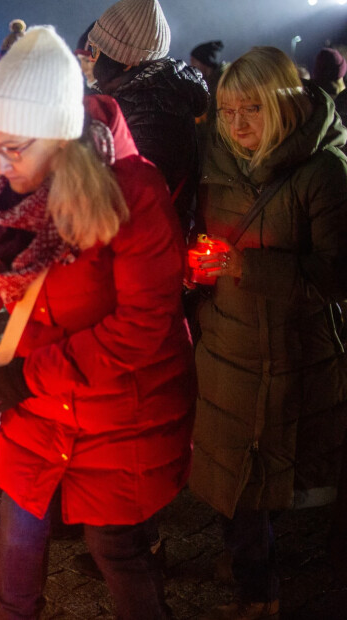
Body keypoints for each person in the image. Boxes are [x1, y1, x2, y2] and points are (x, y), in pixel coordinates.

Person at [0, 27, 195, 619]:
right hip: (34, 411)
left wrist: (30, 377)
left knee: (118, 551)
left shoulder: (132, 194)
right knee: (18, 537)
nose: (1, 164)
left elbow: (143, 324)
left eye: (16, 146)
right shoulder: (2, 198)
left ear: (62, 136)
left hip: (122, 411)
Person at [188, 46, 347, 620]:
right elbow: (212, 244)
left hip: (291, 354)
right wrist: (201, 270)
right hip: (229, 346)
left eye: (250, 110)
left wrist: (244, 267)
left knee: (265, 481)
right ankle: (249, 573)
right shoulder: (221, 162)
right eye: (228, 112)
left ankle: (262, 593)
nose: (236, 125)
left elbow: (338, 274)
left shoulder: (325, 172)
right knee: (233, 480)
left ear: (283, 104)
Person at [88, 0, 209, 234]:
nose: (89, 58)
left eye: (94, 50)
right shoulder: (132, 97)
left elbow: (130, 201)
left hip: (145, 252)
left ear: (125, 62)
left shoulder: (156, 112)